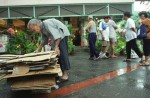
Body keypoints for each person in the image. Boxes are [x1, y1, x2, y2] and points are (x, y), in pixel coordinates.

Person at [27, 18, 71, 82]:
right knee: (55, 55)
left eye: (33, 29)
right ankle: (59, 72)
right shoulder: (42, 29)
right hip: (56, 38)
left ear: (36, 24)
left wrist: (56, 47)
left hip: (62, 35)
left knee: (62, 54)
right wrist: (37, 50)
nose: (34, 31)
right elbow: (44, 40)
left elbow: (58, 36)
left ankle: (65, 75)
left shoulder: (47, 24)